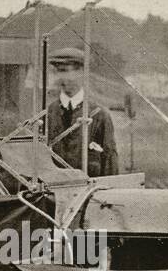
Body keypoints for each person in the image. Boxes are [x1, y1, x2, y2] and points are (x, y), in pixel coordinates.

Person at [44, 47, 119, 177]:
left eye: (66, 71)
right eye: (58, 71)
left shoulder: (99, 115)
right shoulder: (48, 114)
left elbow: (110, 163)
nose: (62, 77)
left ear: (82, 72)